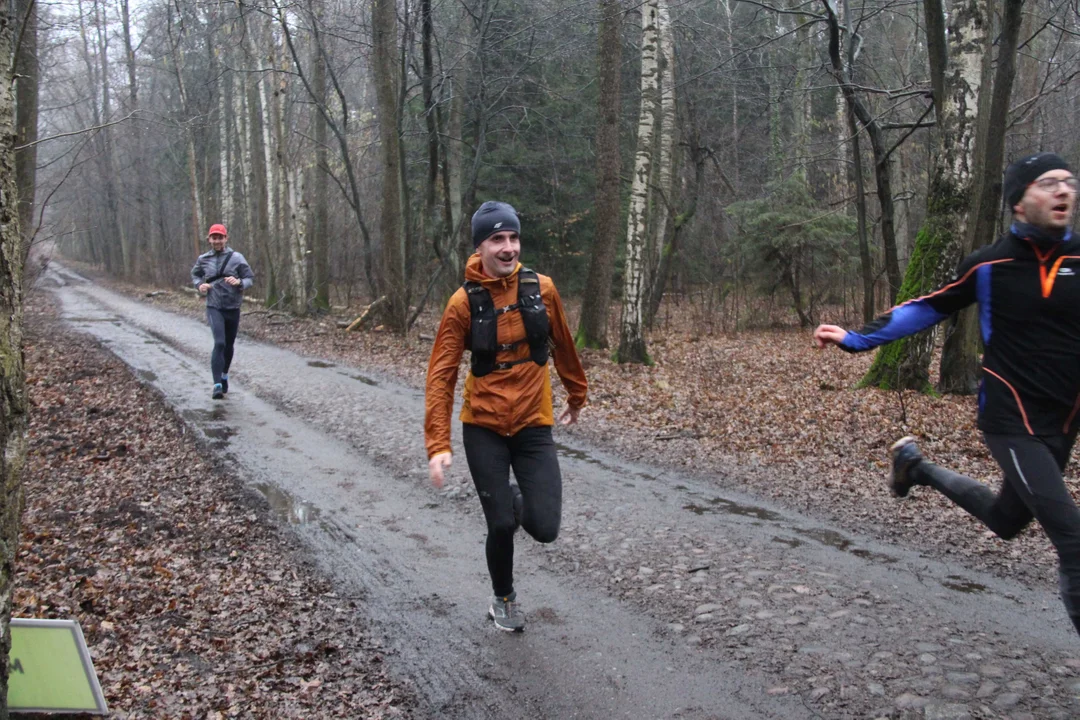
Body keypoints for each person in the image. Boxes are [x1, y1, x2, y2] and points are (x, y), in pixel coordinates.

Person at [814, 151, 1080, 636]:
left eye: (1069, 182)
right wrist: (856, 338)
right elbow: (928, 307)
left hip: (1064, 421)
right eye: (1048, 183)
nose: (1064, 191)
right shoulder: (989, 265)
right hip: (1012, 419)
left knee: (1006, 520)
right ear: (1019, 202)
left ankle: (915, 467)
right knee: (1074, 540)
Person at [425, 201, 588, 632]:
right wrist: (438, 444)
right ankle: (504, 598)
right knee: (499, 523)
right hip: (484, 427)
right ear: (480, 247)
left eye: (513, 237)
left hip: (534, 423)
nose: (509, 247)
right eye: (498, 239)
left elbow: (565, 346)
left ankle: (515, 498)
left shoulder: (542, 289)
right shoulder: (462, 304)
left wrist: (577, 395)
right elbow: (440, 376)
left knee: (545, 527)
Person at [190, 223, 255, 399]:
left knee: (228, 345)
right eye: (214, 237)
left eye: (220, 237)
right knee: (219, 343)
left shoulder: (237, 258)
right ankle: (217, 384)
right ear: (209, 239)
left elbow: (249, 277)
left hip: (233, 307)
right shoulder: (203, 259)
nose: (217, 240)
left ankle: (225, 375)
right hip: (214, 306)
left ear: (226, 238)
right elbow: (195, 275)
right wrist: (199, 285)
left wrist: (240, 283)